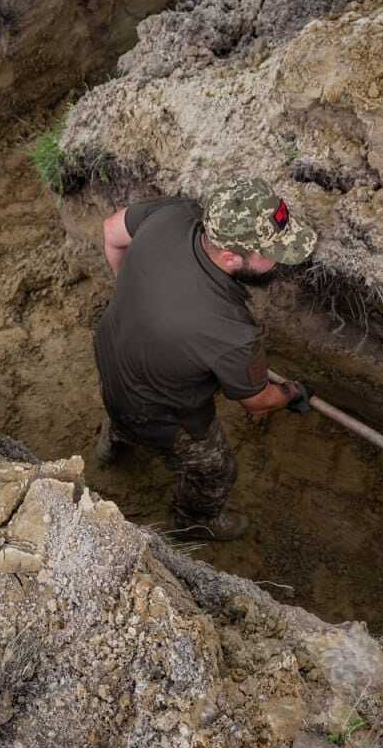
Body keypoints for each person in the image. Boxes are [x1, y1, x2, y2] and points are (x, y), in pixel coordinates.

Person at [92, 178, 317, 541]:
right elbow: (256, 402)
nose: (278, 260)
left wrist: (134, 294)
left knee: (119, 400)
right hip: (159, 409)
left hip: (112, 350)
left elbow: (111, 231)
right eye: (269, 253)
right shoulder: (231, 331)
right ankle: (194, 521)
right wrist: (290, 394)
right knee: (216, 470)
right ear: (231, 257)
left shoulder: (174, 215)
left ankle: (110, 445)